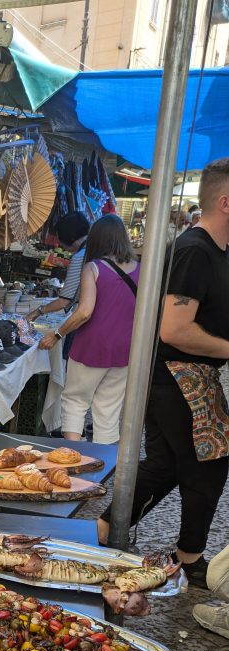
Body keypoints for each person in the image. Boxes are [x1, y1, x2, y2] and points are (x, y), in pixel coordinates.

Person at [97, 158, 229, 583]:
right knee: (207, 463)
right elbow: (175, 328)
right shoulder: (195, 250)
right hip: (179, 375)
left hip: (183, 376)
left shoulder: (212, 250)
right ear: (226, 202)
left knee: (169, 464)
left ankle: (102, 528)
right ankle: (189, 557)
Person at [38, 214, 139, 445]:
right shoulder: (142, 270)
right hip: (126, 350)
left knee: (75, 402)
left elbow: (84, 311)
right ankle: (103, 470)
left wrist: (57, 334)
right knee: (108, 412)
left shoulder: (93, 268)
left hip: (91, 347)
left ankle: (73, 460)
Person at [26, 212, 90, 323]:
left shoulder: (80, 257)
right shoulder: (94, 249)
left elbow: (64, 301)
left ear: (70, 236)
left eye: (59, 238)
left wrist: (38, 312)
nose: (59, 243)